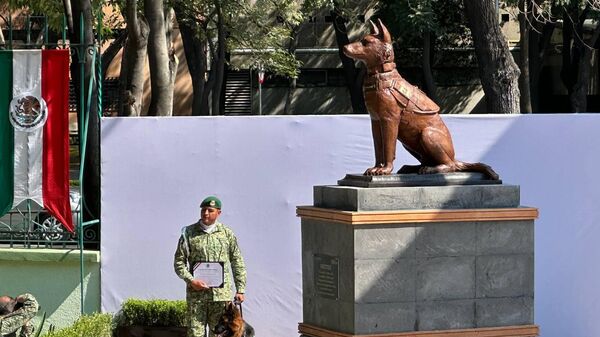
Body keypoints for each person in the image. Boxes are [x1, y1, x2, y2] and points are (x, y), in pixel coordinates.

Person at [174, 196, 246, 337]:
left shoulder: (226, 234)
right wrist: (191, 280)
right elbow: (179, 263)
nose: (206, 213)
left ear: (218, 212)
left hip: (220, 298)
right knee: (195, 334)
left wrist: (240, 289)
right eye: (203, 210)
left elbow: (237, 261)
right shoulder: (188, 233)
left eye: (210, 210)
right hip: (197, 297)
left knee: (219, 335)